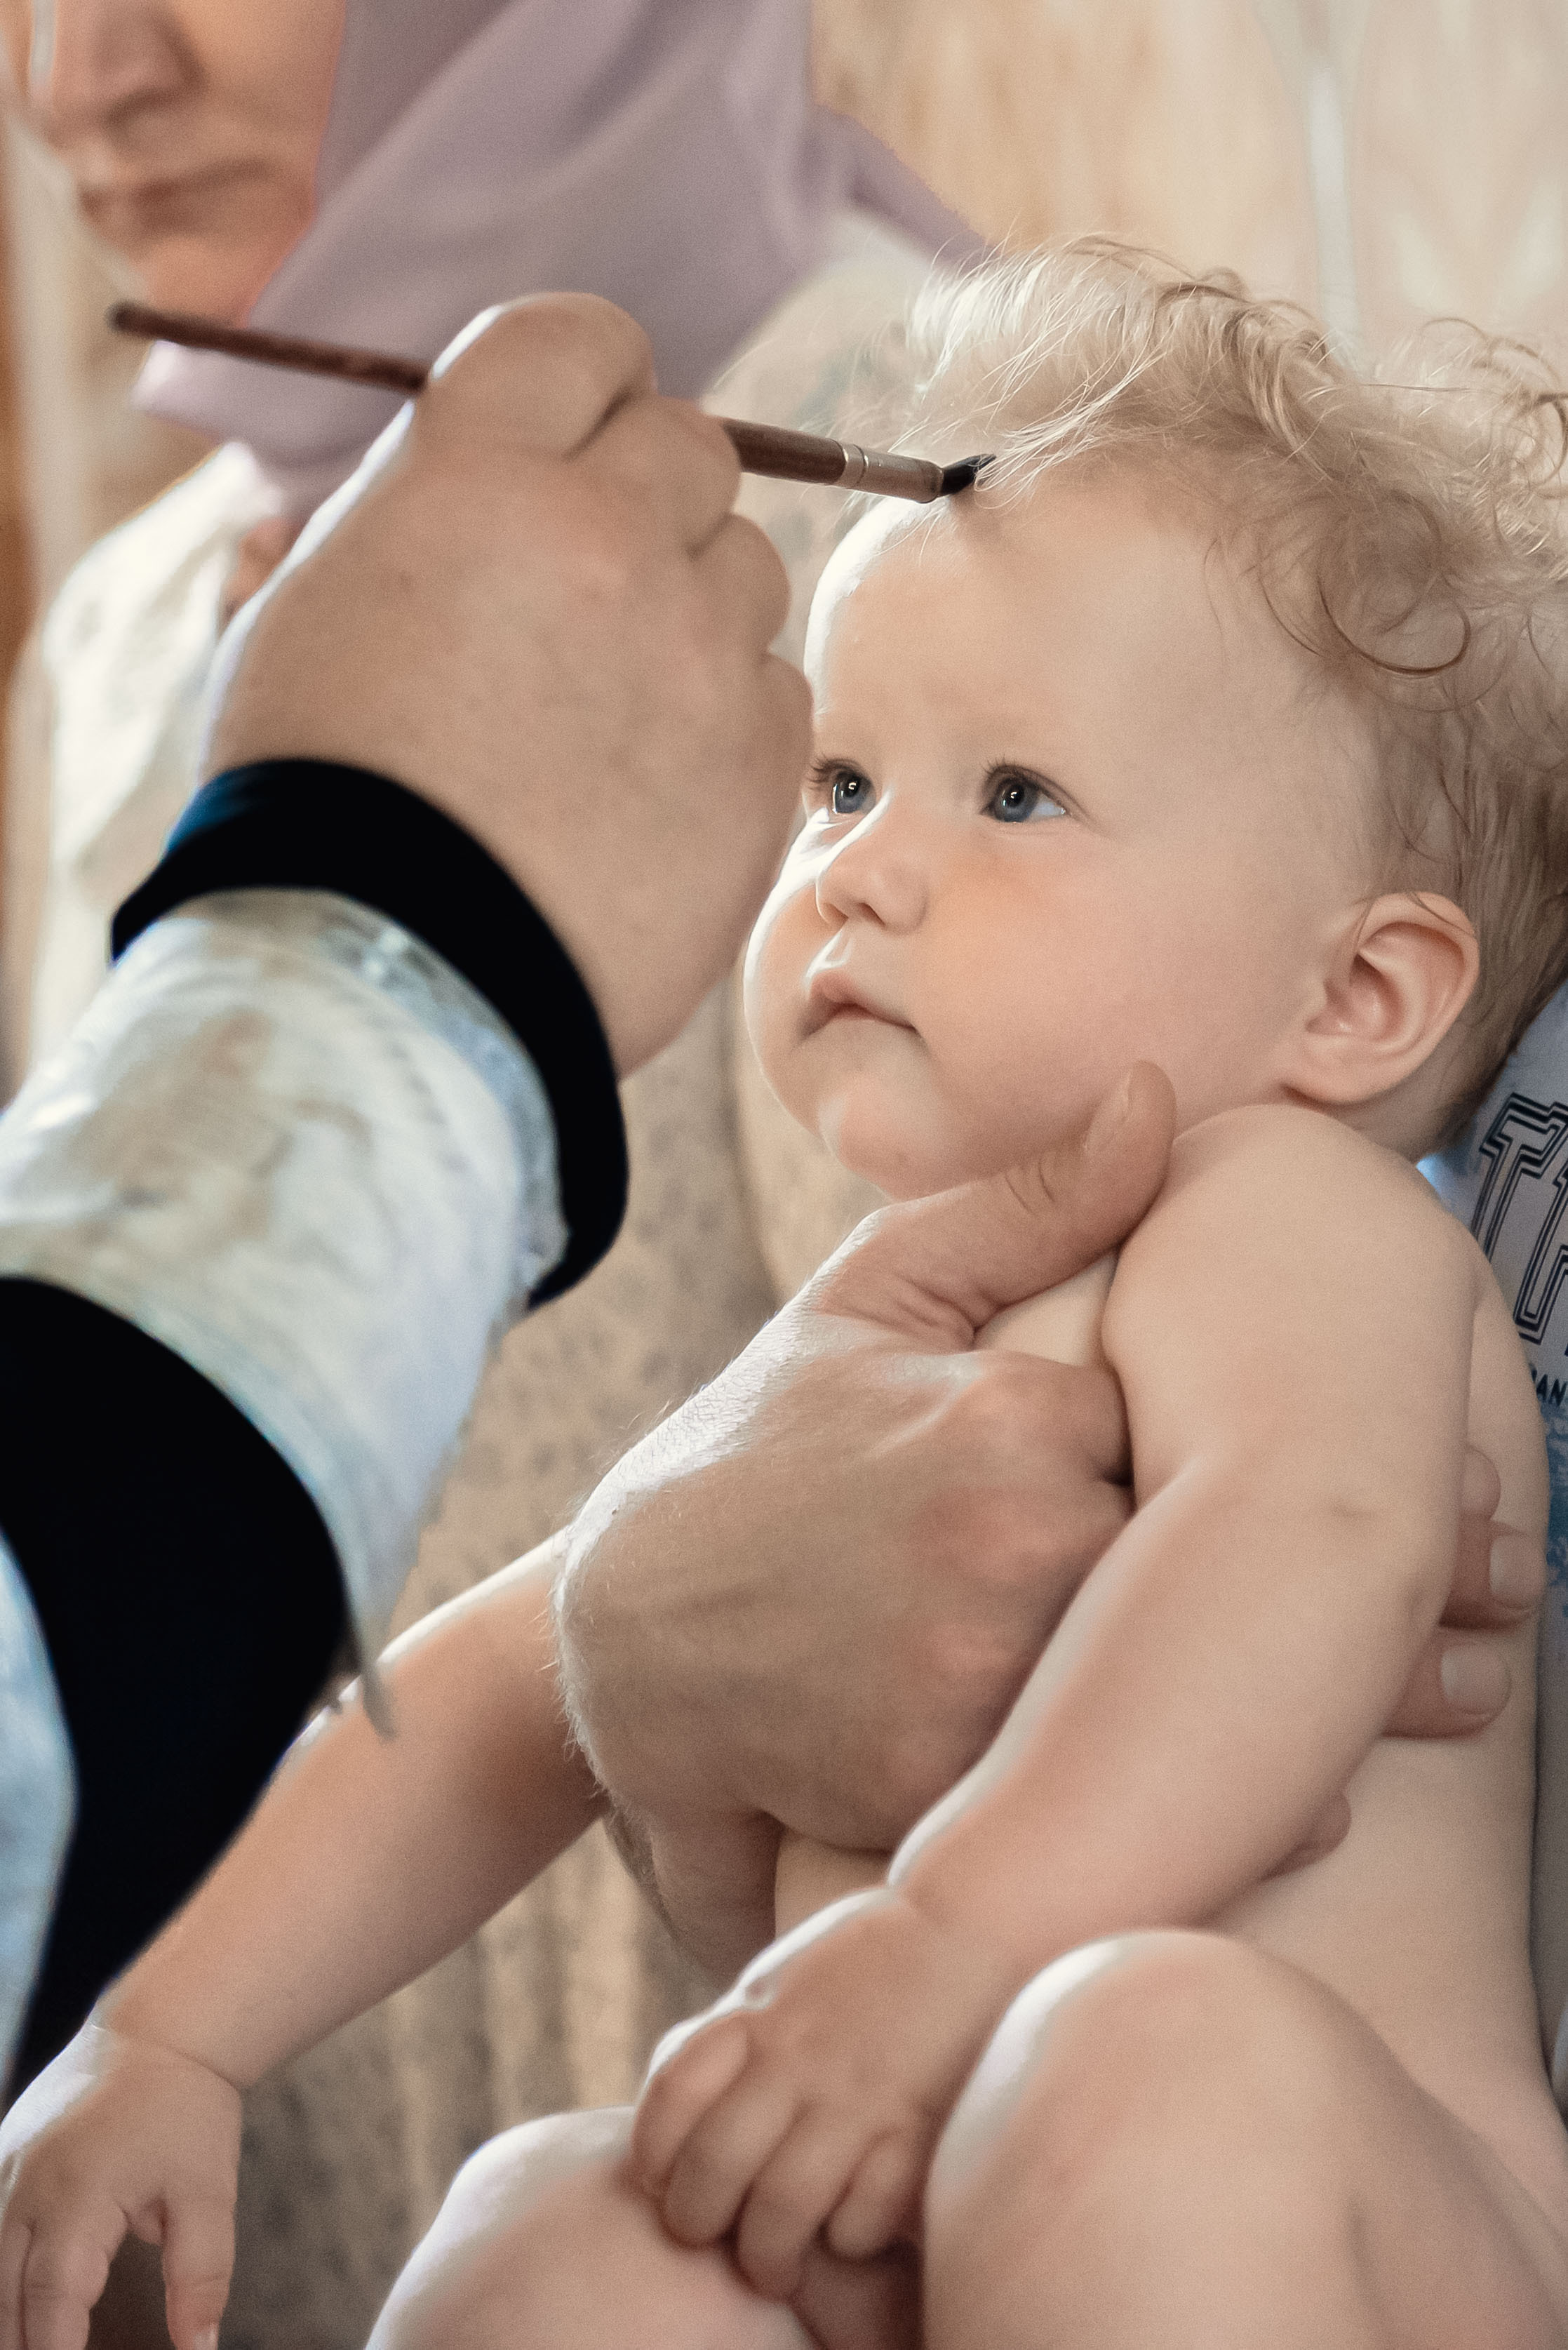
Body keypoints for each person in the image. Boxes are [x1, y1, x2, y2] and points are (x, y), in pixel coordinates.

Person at [2, 245, 1560, 2350]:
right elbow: (503, 1687)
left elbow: (1311, 1546)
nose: (859, 870)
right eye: (838, 781)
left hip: (1352, 2201)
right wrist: (156, 2030)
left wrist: (940, 1941)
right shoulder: (871, 1329)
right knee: (551, 2232)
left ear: (1356, 994)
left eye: (1012, 795)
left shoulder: (1296, 1213)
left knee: (1135, 2059)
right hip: (919, 2208)